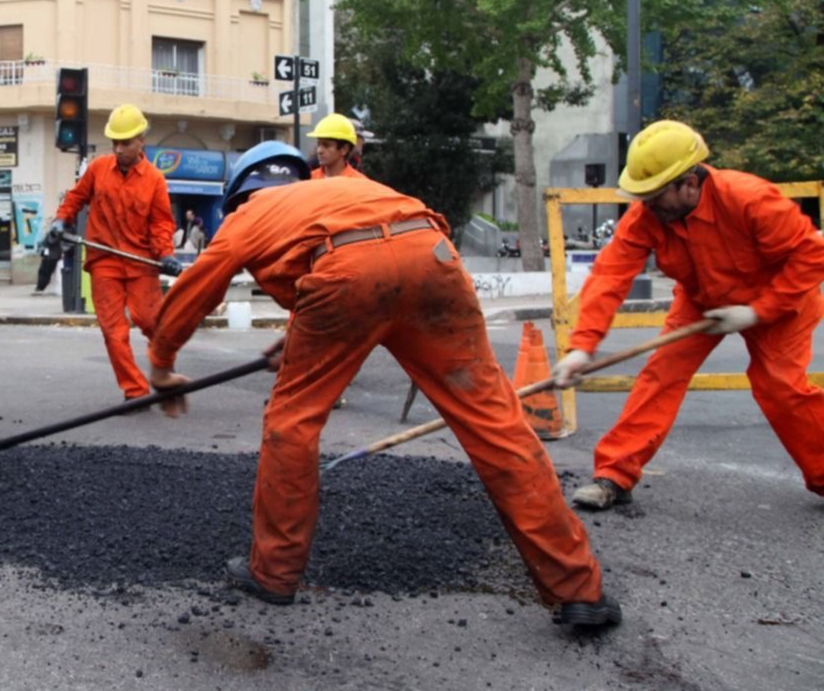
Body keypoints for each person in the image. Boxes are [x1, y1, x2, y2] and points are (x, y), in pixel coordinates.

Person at [145, 141, 619, 627]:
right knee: (496, 425)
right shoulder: (347, 191)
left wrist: (162, 365)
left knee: (292, 425)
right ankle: (579, 588)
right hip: (432, 257)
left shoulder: (252, 212)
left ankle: (273, 572)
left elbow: (196, 290)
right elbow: (370, 248)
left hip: (348, 275)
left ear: (240, 194)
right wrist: (297, 337)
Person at [550, 120, 824, 510]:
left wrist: (756, 311)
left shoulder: (749, 199)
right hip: (702, 300)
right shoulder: (648, 216)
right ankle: (614, 474)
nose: (646, 205)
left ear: (690, 184)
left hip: (778, 300)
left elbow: (812, 256)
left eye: (655, 195)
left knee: (779, 386)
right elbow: (611, 275)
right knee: (661, 374)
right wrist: (582, 347)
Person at [47, 105, 180, 401]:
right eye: (115, 143)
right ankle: (135, 391)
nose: (119, 149)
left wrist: (165, 256)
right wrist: (60, 220)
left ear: (141, 141)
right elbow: (76, 197)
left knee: (152, 323)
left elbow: (161, 223)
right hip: (104, 259)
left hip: (140, 263)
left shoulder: (155, 180)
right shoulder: (97, 168)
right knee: (113, 331)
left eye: (126, 143)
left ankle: (163, 374)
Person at [305, 113, 367, 180]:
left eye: (326, 145)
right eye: (319, 144)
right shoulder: (308, 180)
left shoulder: (359, 182)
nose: (319, 150)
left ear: (344, 149)